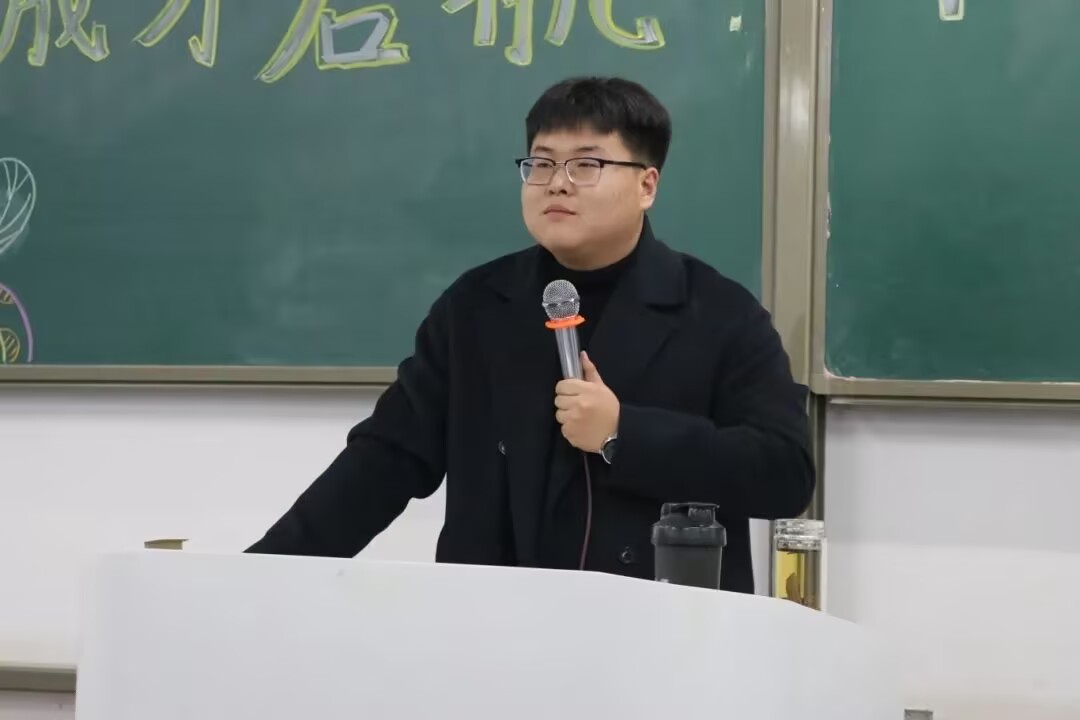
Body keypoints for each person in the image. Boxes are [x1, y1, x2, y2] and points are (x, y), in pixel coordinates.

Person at [246, 76, 815, 594]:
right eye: (541, 164)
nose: (556, 185)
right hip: (492, 629)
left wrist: (623, 432)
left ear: (646, 185)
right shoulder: (478, 305)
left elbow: (784, 474)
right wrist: (258, 577)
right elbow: (386, 460)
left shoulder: (717, 312)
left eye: (585, 165)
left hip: (658, 632)